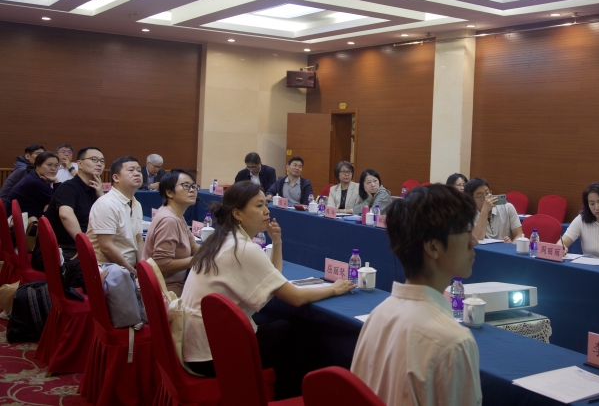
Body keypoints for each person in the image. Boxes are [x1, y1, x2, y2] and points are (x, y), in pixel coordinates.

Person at [181, 181, 355, 398]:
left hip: (201, 347)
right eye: (259, 205)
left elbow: (273, 279)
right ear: (237, 213)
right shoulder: (242, 248)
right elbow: (295, 297)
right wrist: (334, 289)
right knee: (302, 336)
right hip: (214, 353)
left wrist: (277, 242)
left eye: (265, 204)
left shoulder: (221, 239)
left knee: (288, 329)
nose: (266, 211)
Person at [351, 184, 482, 406]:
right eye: (466, 232)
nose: (474, 241)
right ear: (433, 247)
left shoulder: (379, 314)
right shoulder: (454, 342)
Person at [32, 147, 105, 291]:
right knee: (98, 274)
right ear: (80, 164)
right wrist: (84, 244)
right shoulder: (69, 187)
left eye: (102, 161)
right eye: (94, 160)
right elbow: (65, 214)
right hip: (58, 251)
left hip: (79, 248)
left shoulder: (94, 190)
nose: (99, 164)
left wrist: (101, 195)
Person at [87, 156, 146, 328]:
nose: (137, 173)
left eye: (138, 170)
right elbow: (106, 247)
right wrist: (133, 272)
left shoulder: (136, 203)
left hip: (128, 267)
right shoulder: (106, 204)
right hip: (106, 270)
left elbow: (138, 239)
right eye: (131, 170)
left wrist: (142, 268)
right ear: (115, 177)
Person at [143, 169, 199, 296]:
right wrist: (199, 259)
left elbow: (193, 246)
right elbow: (161, 264)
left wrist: (215, 251)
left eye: (194, 186)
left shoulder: (177, 215)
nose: (192, 190)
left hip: (173, 285)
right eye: (186, 186)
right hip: (164, 290)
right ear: (169, 192)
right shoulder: (169, 219)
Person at [465, 178, 522, 243]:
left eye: (487, 193)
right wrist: (485, 211)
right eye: (480, 196)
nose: (486, 199)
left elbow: (519, 235)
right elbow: (477, 238)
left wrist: (511, 245)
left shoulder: (508, 208)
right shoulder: (467, 214)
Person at [4, 152, 59, 219]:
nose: (53, 168)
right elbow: (58, 201)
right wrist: (56, 181)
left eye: (56, 165)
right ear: (38, 166)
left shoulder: (33, 176)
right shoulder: (35, 181)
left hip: (24, 217)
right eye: (49, 165)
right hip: (22, 222)